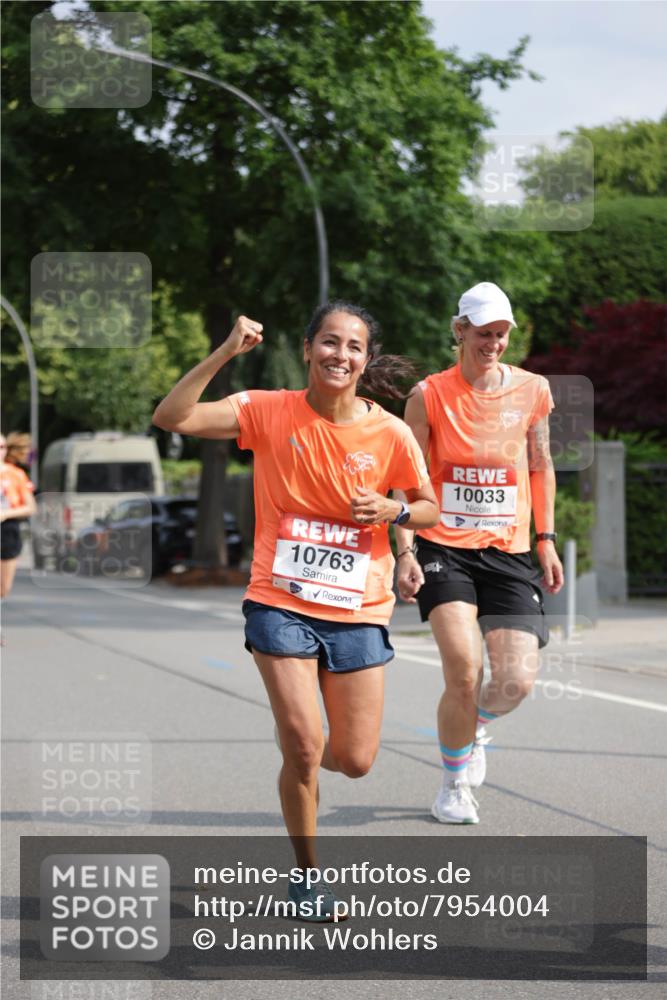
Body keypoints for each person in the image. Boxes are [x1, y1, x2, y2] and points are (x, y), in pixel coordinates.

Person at [152, 303, 438, 917]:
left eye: (354, 346)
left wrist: (394, 514)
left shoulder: (390, 432)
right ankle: (308, 879)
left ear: (366, 359)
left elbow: (428, 507)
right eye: (329, 342)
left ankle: (304, 744)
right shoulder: (265, 409)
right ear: (307, 349)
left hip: (360, 606)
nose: (341, 355)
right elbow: (171, 416)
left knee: (355, 760)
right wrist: (226, 352)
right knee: (306, 748)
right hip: (279, 601)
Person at [394, 282, 563, 825]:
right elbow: (405, 477)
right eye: (484, 333)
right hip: (444, 547)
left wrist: (546, 539)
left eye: (501, 334)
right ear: (460, 330)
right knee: (464, 673)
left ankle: (477, 726)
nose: (493, 343)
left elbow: (540, 466)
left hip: (510, 552)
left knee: (515, 681)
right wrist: (405, 549)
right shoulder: (428, 395)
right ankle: (453, 785)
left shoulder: (533, 390)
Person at [1, 433, 37, 638]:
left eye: (2, 447)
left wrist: (6, 513)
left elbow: (30, 507)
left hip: (7, 530)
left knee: (4, 588)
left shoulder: (16, 474)